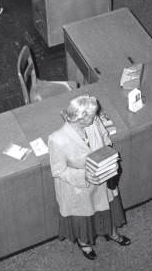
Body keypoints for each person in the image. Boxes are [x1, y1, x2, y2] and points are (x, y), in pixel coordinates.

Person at [48, 94, 130, 260]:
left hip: (103, 178)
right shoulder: (57, 139)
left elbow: (105, 138)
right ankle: (84, 243)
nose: (95, 118)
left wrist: (107, 156)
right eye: (92, 116)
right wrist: (85, 176)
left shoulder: (94, 121)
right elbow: (58, 171)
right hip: (79, 187)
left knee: (108, 208)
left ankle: (111, 232)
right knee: (84, 218)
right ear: (81, 117)